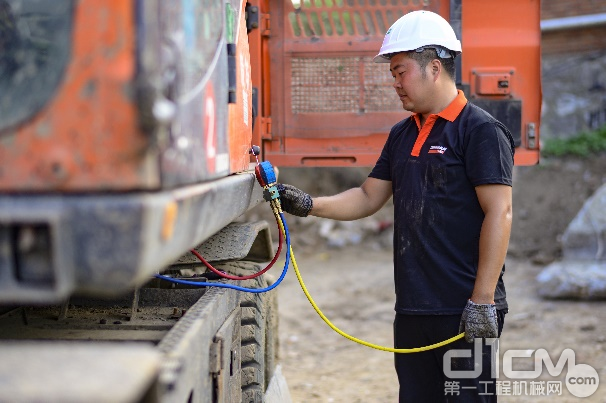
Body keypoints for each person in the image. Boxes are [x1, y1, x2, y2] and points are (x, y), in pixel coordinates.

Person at [277, 9, 514, 403]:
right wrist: (308, 205)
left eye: (400, 72)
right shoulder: (402, 133)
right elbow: (369, 196)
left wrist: (483, 300)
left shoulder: (481, 131)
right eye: (393, 75)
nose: (396, 84)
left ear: (433, 67)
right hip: (414, 307)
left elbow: (499, 212)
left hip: (464, 309)